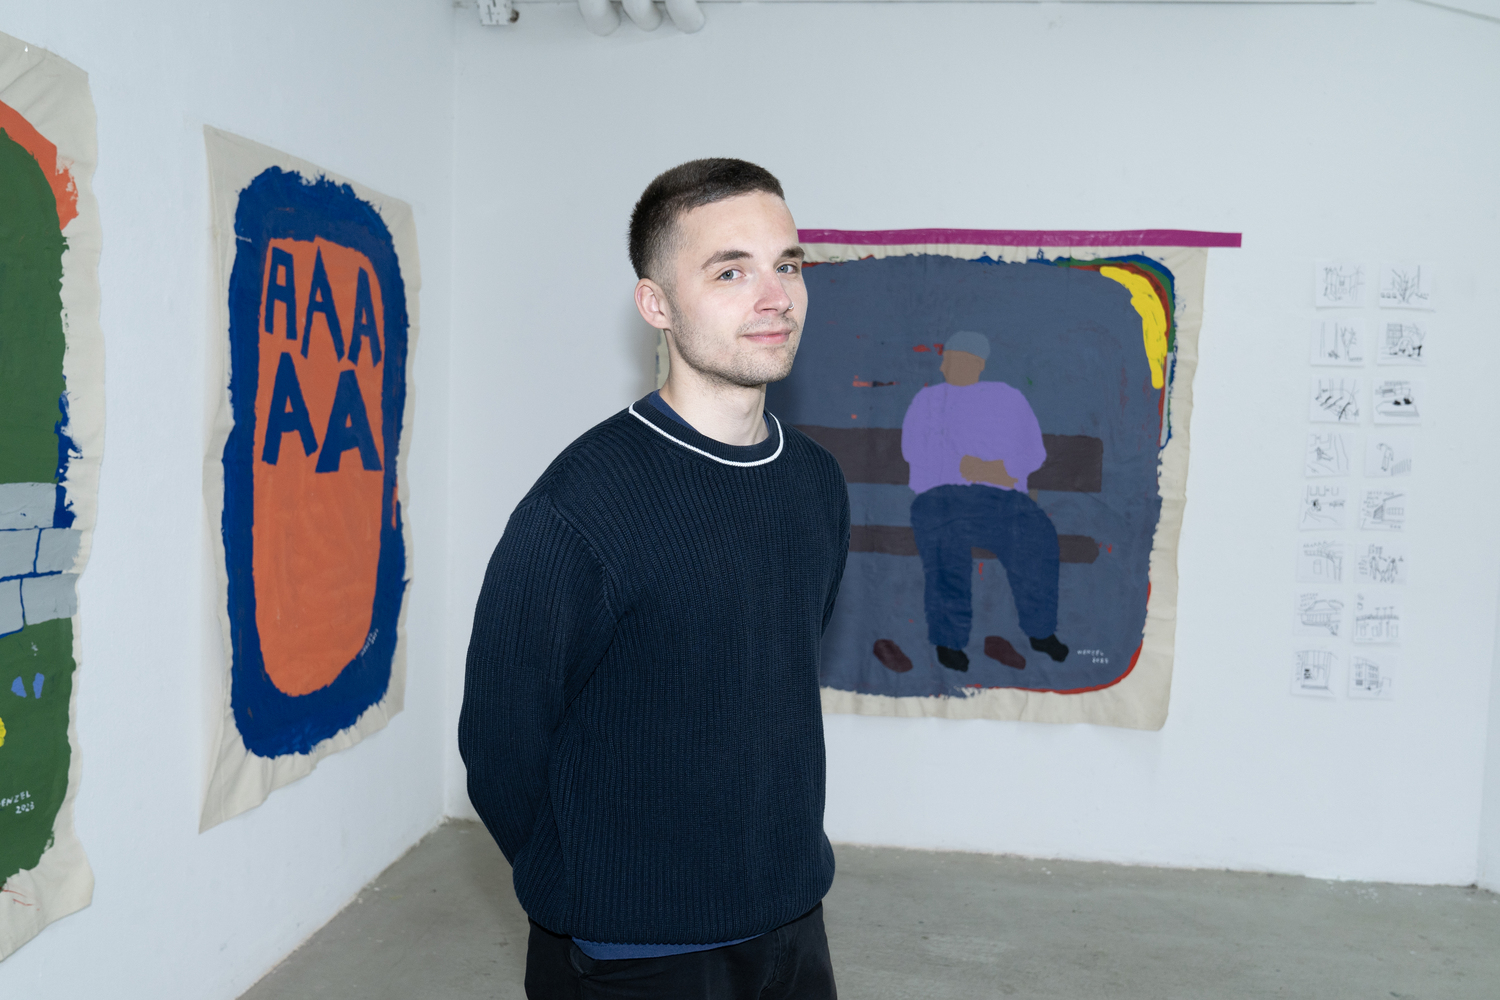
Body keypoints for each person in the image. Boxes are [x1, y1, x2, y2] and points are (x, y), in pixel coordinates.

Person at [459, 159, 849, 999]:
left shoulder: (815, 481)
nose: (775, 296)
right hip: (633, 951)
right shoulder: (578, 505)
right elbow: (499, 746)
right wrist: (595, 890)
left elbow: (764, 679)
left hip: (792, 920)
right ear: (657, 305)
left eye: (787, 265)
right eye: (730, 271)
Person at [900, 331, 1069, 672]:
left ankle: (1040, 631)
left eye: (954, 360)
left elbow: (1034, 453)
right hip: (941, 499)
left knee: (1037, 536)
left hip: (1001, 499)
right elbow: (914, 452)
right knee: (947, 550)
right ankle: (949, 641)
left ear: (977, 364)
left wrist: (997, 469)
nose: (945, 367)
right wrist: (965, 467)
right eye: (945, 360)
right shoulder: (928, 401)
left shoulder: (1008, 398)